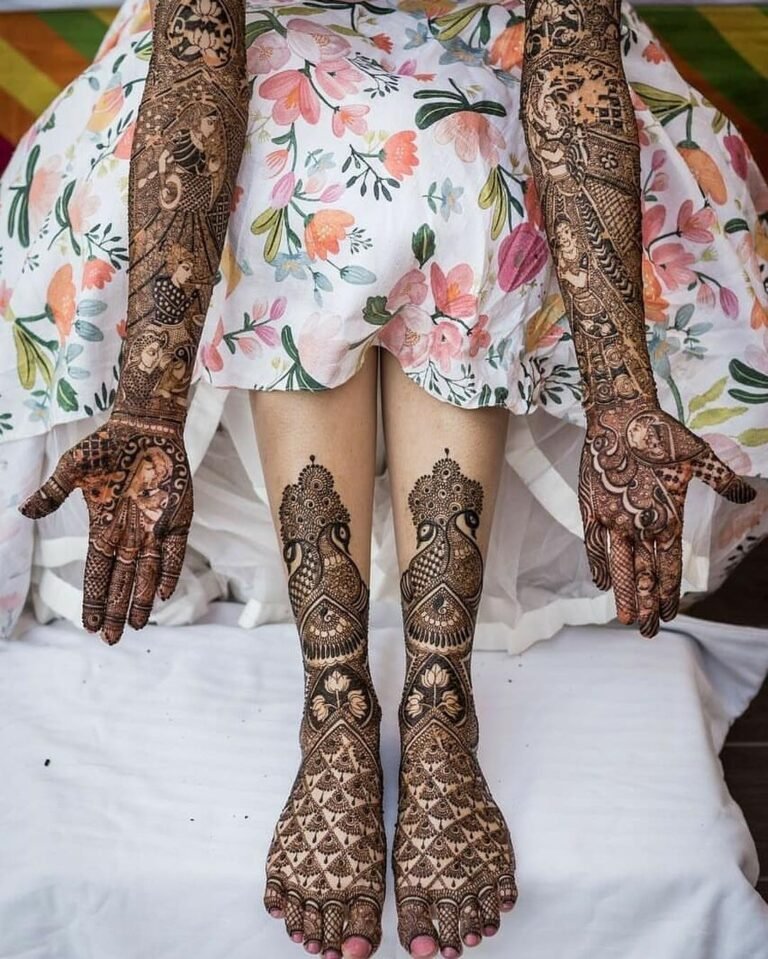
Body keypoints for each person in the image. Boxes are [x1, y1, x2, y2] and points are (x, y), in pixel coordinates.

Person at [1, 0, 766, 956]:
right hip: (234, 74)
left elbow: (571, 49)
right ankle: (336, 703)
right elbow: (199, 59)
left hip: (511, 70)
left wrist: (619, 397)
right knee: (299, 133)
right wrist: (150, 406)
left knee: (458, 152)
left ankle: (440, 703)